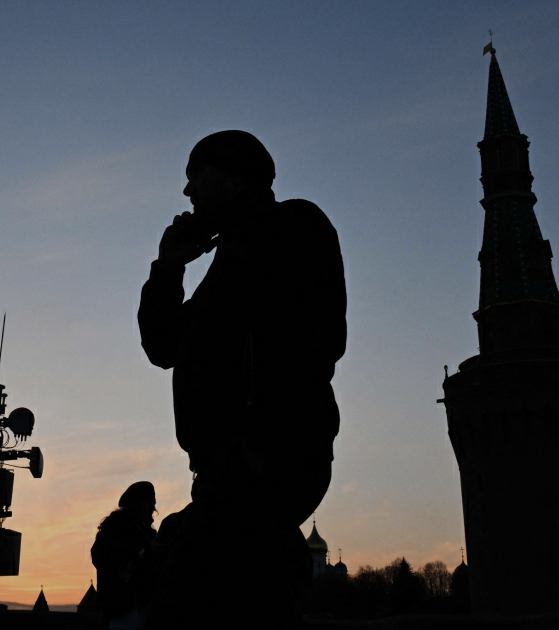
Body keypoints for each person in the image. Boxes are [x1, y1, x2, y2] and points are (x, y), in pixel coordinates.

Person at [137, 130, 347, 628]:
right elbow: (162, 346)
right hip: (227, 470)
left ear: (234, 177)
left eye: (196, 175)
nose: (187, 191)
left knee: (186, 594)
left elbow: (315, 341)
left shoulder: (293, 225)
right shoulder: (224, 265)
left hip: (268, 458)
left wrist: (257, 447)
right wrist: (168, 269)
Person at [91, 481, 158, 630]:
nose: (153, 509)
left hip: (130, 610)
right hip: (126, 611)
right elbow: (118, 569)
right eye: (151, 503)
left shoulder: (139, 532)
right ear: (140, 504)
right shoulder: (119, 533)